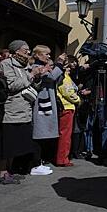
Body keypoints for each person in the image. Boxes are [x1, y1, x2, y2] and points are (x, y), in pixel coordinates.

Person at [0, 40, 40, 184]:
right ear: (16, 51)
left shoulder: (26, 65)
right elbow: (12, 85)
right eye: (25, 49)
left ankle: (10, 170)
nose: (28, 52)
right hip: (11, 109)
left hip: (25, 108)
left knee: (15, 143)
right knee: (7, 143)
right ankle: (2, 172)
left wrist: (37, 76)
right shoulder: (6, 64)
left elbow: (31, 84)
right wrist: (31, 75)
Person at [31, 45, 66, 175]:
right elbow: (51, 78)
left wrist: (60, 69)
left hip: (47, 103)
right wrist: (59, 64)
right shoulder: (36, 67)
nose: (49, 56)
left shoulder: (45, 66)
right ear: (38, 55)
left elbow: (56, 79)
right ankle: (36, 164)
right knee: (39, 134)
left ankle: (40, 161)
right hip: (41, 104)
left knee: (44, 135)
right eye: (46, 54)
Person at [56, 55, 81, 167]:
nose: (70, 68)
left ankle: (63, 157)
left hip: (67, 107)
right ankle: (62, 159)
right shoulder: (64, 78)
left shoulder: (66, 77)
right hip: (67, 107)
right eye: (67, 66)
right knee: (65, 135)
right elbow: (68, 93)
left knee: (65, 134)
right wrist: (79, 100)